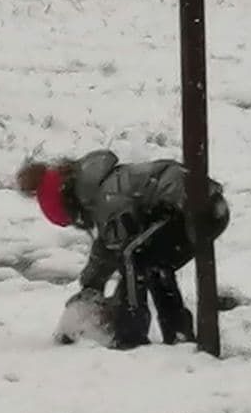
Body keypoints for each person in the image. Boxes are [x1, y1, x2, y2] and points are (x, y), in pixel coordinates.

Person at [16, 150, 230, 350]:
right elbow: (106, 246)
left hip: (192, 208)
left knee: (135, 257)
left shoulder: (109, 195)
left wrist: (107, 299)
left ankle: (131, 334)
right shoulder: (101, 189)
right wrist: (92, 283)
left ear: (71, 202)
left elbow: (118, 249)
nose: (82, 222)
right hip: (208, 209)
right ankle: (177, 335)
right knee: (153, 264)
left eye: (76, 219)